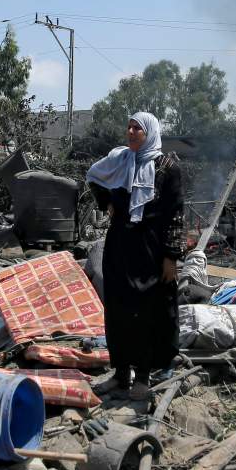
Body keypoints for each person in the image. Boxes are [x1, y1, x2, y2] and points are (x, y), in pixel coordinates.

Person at [86, 112, 185, 400]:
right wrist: (106, 204)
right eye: (128, 126)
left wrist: (171, 256)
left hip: (151, 247)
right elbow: (94, 176)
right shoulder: (120, 160)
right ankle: (120, 374)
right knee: (117, 307)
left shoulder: (167, 166)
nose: (130, 132)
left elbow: (176, 213)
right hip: (119, 244)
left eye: (137, 128)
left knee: (146, 310)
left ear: (150, 133)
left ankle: (142, 375)